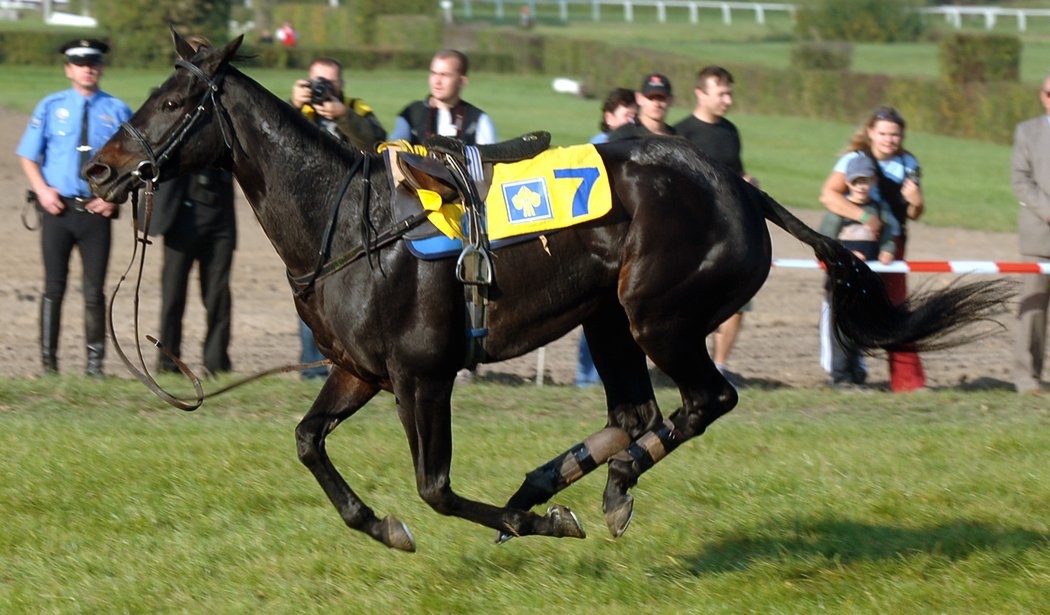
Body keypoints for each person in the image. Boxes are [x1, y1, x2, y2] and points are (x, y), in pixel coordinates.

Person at [16, 38, 132, 377]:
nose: (88, 68)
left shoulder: (118, 110)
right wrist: (42, 191)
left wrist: (112, 197)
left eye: (93, 62)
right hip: (58, 210)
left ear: (101, 67)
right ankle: (48, 364)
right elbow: (27, 155)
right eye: (80, 63)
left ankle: (94, 367)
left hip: (96, 211)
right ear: (69, 69)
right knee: (54, 287)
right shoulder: (51, 106)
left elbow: (129, 165)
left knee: (94, 291)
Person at [290, 57, 387, 379]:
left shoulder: (356, 109)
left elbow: (375, 143)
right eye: (317, 82)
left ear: (341, 86)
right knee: (310, 295)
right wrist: (293, 105)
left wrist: (344, 117)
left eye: (329, 84)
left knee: (350, 295)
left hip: (351, 218)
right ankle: (312, 367)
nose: (322, 90)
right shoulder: (299, 113)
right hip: (309, 221)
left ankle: (353, 365)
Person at [147, 35, 237, 377]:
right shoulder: (165, 101)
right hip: (180, 215)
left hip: (218, 214)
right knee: (173, 296)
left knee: (218, 297)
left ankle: (217, 362)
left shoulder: (222, 104)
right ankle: (167, 362)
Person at [819, 105, 926, 392]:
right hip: (856, 243)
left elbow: (915, 213)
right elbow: (828, 195)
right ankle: (843, 371)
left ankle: (908, 381)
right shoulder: (854, 160)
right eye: (883, 133)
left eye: (895, 134)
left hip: (893, 244)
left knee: (896, 309)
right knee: (850, 305)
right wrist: (866, 217)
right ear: (870, 133)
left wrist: (915, 200)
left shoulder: (908, 163)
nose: (889, 139)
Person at [674, 66, 755, 387]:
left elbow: (736, 173)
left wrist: (747, 183)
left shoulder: (731, 132)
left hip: (730, 232)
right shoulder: (682, 133)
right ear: (700, 93)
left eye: (730, 93)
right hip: (693, 238)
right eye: (721, 93)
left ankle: (719, 370)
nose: (728, 99)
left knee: (736, 305)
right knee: (688, 310)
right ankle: (684, 369)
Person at [818, 155, 899, 387]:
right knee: (840, 329)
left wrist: (887, 251)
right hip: (841, 282)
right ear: (849, 184)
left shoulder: (878, 210)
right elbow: (824, 243)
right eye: (856, 181)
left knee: (860, 327)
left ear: (873, 182)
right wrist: (847, 257)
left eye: (866, 181)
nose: (861, 186)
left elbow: (887, 238)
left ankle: (857, 373)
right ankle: (840, 376)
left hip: (867, 281)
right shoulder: (838, 213)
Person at [577, 88, 638, 387]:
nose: (632, 120)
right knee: (596, 313)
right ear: (609, 116)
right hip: (599, 246)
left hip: (626, 244)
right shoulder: (595, 149)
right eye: (626, 114)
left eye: (634, 115)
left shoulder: (635, 146)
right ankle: (586, 379)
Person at [1010, 74, 1050, 395]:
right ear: (1042, 96)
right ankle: (1027, 378)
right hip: (1040, 238)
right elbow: (1021, 181)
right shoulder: (1027, 131)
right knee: (1033, 310)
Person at [389, 49, 497, 146]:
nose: (437, 81)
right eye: (433, 73)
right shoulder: (411, 113)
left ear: (462, 81)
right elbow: (391, 154)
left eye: (445, 75)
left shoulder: (478, 120)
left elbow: (491, 165)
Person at [289, 56, 388, 152]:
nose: (323, 86)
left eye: (331, 82)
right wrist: (293, 105)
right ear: (308, 82)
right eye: (319, 81)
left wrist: (345, 116)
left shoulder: (355, 107)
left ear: (341, 84)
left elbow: (377, 143)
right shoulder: (302, 108)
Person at [607, 74, 676, 141]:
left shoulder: (676, 139)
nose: (656, 104)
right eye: (650, 98)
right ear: (639, 98)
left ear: (670, 100)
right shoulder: (623, 136)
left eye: (661, 98)